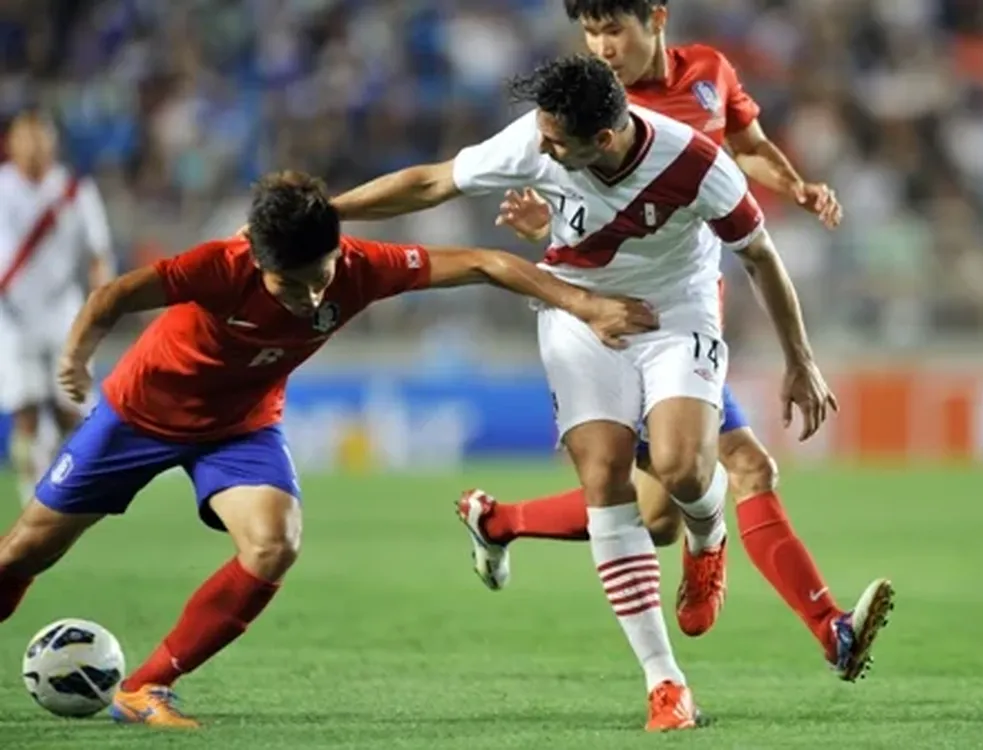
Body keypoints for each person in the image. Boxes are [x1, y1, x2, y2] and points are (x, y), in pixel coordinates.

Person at [0, 170, 655, 729]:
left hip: (241, 428)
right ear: (256, 259)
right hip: (138, 416)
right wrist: (76, 359)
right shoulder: (217, 268)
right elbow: (114, 295)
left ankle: (146, 687)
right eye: (295, 285)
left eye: (323, 276)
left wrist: (582, 303)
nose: (315, 296)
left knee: (273, 543)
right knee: (28, 548)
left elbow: (484, 263)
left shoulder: (362, 267)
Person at [331, 54, 835, 731]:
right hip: (576, 310)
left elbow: (760, 255)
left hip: (675, 315)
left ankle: (707, 535)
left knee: (686, 470)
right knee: (605, 477)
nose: (539, 146)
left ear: (603, 140)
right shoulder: (535, 140)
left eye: (553, 141)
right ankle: (665, 685)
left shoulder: (696, 165)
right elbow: (430, 182)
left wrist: (800, 360)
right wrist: (325, 213)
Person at [459, 0, 893, 684]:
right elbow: (569, 207)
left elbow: (744, 149)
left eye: (612, 27)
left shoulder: (708, 74)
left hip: (689, 319)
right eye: (590, 30)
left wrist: (797, 186)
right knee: (736, 473)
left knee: (660, 510)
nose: (600, 45)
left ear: (656, 17)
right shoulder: (596, 112)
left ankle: (500, 520)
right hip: (621, 323)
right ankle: (831, 628)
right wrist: (545, 222)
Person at [0, 110, 114, 506]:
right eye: (26, 137)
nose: (33, 146)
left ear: (53, 142)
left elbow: (98, 253)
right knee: (25, 408)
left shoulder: (74, 190)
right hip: (9, 315)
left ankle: (63, 477)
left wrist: (102, 306)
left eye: (41, 137)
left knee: (71, 409)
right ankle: (33, 493)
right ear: (11, 142)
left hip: (64, 311)